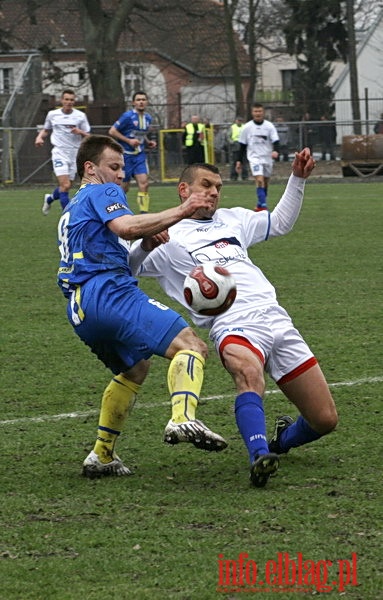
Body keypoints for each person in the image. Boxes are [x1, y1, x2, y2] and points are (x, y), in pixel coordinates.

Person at [130, 152, 338, 488]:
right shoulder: (167, 232)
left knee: (324, 419)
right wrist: (144, 243)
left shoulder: (233, 220)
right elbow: (130, 268)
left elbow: (279, 223)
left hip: (274, 316)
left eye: (218, 187)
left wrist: (298, 178)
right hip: (232, 323)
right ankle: (258, 456)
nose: (213, 192)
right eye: (206, 185)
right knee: (248, 373)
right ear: (184, 190)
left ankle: (279, 442)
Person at [57, 135, 227, 479]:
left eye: (123, 168)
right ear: (91, 168)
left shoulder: (72, 208)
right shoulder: (101, 190)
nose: (122, 175)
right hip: (108, 292)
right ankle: (182, 418)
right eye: (114, 167)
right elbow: (126, 226)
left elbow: (120, 248)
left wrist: (147, 243)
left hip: (80, 307)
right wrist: (183, 210)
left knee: (135, 370)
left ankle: (102, 454)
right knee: (191, 345)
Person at [35, 89, 91, 215]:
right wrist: (39, 137)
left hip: (74, 153)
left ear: (74, 101)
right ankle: (68, 217)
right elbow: (46, 129)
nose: (69, 102)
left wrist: (80, 132)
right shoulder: (52, 114)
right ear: (62, 100)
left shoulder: (80, 116)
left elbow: (88, 135)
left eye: (71, 100)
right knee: (65, 185)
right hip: (59, 153)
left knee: (66, 186)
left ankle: (49, 198)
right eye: (66, 99)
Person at [108, 91, 157, 213]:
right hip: (125, 157)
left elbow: (140, 134)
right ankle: (117, 212)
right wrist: (128, 141)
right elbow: (112, 131)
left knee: (144, 183)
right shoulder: (127, 116)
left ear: (147, 102)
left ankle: (144, 214)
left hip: (139, 156)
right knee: (124, 188)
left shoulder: (148, 118)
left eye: (143, 99)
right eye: (138, 99)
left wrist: (147, 142)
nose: (141, 102)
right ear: (133, 102)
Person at [236, 103, 280, 211]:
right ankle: (263, 206)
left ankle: (260, 204)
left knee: (265, 182)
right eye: (255, 111)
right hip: (254, 158)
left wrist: (276, 151)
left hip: (267, 158)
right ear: (252, 113)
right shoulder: (247, 127)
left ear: (263, 112)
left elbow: (276, 141)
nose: (258, 113)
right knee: (259, 180)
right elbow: (242, 146)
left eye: (260, 111)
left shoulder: (269, 126)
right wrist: (238, 161)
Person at [228, 116, 248, 181]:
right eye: (238, 120)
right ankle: (233, 176)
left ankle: (245, 176)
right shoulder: (232, 127)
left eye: (240, 120)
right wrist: (231, 142)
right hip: (235, 146)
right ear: (236, 121)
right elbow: (228, 136)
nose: (239, 121)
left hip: (243, 146)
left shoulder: (245, 127)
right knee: (234, 162)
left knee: (244, 162)